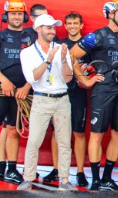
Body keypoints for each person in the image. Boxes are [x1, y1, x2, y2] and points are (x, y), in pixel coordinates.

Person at [70, 0, 118, 190]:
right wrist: (85, 80)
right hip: (102, 91)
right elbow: (71, 56)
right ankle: (95, 180)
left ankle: (107, 178)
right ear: (110, 14)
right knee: (97, 134)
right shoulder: (97, 36)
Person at [17, 14, 76, 190]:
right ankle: (28, 177)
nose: (52, 30)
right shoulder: (27, 53)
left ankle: (64, 180)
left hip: (62, 98)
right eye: (48, 27)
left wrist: (65, 59)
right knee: (34, 140)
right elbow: (32, 77)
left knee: (65, 140)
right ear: (38, 29)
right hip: (41, 98)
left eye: (53, 27)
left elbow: (68, 79)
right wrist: (49, 59)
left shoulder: (61, 48)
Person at [0, 0, 35, 184]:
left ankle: (12, 169)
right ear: (6, 16)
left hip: (22, 92)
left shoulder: (32, 38)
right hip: (1, 90)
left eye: (20, 13)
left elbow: (38, 65)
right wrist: (4, 81)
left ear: (25, 16)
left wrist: (27, 87)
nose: (17, 16)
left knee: (13, 130)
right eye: (13, 13)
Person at [42, 11, 90, 187]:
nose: (72, 26)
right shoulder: (58, 44)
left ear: (81, 25)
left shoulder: (88, 45)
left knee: (78, 132)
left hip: (78, 94)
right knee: (57, 132)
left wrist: (88, 79)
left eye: (75, 23)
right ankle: (56, 169)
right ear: (65, 25)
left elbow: (92, 68)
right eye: (69, 23)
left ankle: (80, 171)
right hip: (60, 93)